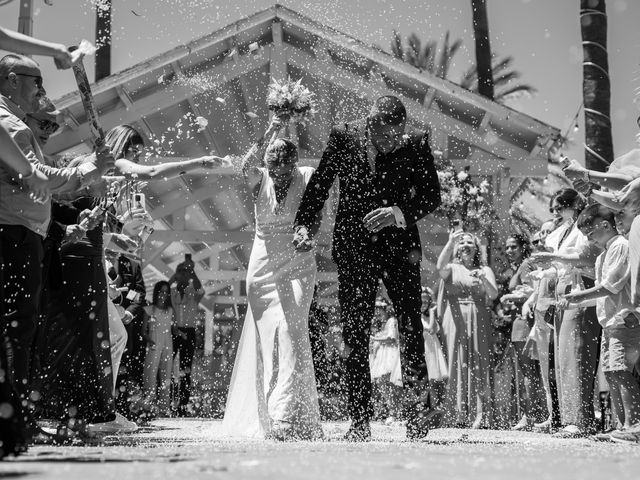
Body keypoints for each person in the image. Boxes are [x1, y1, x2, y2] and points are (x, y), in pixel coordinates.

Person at [294, 95, 441, 441]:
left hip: (401, 249)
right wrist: (303, 223)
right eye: (383, 137)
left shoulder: (417, 144)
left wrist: (397, 212)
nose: (390, 144)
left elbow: (432, 195)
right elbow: (320, 184)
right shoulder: (344, 137)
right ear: (369, 123)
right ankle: (359, 420)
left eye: (396, 137)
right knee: (355, 332)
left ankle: (418, 414)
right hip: (355, 248)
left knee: (409, 322)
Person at [0, 53, 113, 425]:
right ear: (12, 80)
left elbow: (41, 183)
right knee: (17, 327)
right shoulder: (12, 127)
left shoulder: (15, 125)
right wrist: (86, 168)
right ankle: (16, 421)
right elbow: (36, 177)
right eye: (37, 82)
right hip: (13, 234)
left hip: (19, 232)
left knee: (19, 328)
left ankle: (17, 416)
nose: (42, 91)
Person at [222, 116, 322, 440]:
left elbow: (316, 210)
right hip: (262, 267)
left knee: (291, 329)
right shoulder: (258, 177)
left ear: (294, 165)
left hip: (298, 262)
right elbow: (244, 164)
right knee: (269, 336)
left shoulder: (306, 176)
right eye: (275, 171)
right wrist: (271, 130)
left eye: (285, 171)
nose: (280, 178)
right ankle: (269, 411)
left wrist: (310, 235)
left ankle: (286, 414)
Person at [530, 188, 601, 437]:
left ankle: (581, 420)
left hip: (580, 291)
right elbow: (559, 264)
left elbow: (585, 257)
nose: (557, 213)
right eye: (554, 210)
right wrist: (544, 269)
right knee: (562, 359)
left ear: (575, 204)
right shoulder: (565, 229)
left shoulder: (585, 227)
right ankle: (568, 417)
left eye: (560, 208)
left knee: (577, 356)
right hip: (562, 292)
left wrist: (552, 257)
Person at [563, 205, 640, 435]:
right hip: (609, 324)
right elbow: (599, 297)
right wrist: (573, 301)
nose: (589, 240)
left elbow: (611, 287)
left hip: (624, 321)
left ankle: (633, 424)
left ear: (605, 225)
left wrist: (581, 295)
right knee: (610, 373)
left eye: (590, 234)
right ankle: (620, 424)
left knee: (622, 371)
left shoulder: (621, 247)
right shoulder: (601, 257)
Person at [437, 230, 498, 428]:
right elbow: (439, 267)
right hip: (454, 320)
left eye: (469, 242)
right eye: (461, 242)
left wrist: (483, 278)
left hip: (478, 318)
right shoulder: (452, 268)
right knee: (455, 361)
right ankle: (455, 413)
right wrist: (449, 243)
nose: (465, 245)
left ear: (476, 247)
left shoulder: (485, 269)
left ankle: (480, 414)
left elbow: (493, 294)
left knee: (478, 362)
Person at [497, 234, 546, 430]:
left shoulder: (525, 265)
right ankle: (535, 414)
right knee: (532, 372)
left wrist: (508, 296)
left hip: (524, 321)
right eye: (507, 247)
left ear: (522, 247)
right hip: (521, 319)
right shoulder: (521, 265)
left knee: (529, 372)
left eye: (513, 247)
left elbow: (531, 291)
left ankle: (530, 416)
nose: (509, 251)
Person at [170, 259, 205, 417]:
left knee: (186, 369)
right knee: (169, 367)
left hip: (189, 332)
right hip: (174, 332)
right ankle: (170, 401)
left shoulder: (193, 291)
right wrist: (175, 275)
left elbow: (201, 290)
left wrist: (192, 272)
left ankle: (183, 404)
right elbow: (166, 284)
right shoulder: (172, 291)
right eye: (181, 272)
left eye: (186, 272)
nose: (184, 274)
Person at [141, 281, 175, 416]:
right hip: (154, 342)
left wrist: (180, 333)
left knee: (166, 374)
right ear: (156, 293)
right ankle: (148, 407)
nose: (163, 295)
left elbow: (172, 328)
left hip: (168, 342)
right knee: (150, 373)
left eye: (166, 292)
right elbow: (143, 331)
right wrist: (150, 341)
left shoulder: (171, 310)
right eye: (161, 291)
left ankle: (164, 407)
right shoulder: (149, 309)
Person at [369, 297, 402, 424]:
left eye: (380, 310)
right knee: (382, 384)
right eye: (376, 310)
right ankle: (389, 411)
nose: (377, 313)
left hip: (390, 355)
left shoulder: (391, 321)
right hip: (382, 356)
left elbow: (392, 338)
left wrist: (375, 339)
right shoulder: (380, 324)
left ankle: (393, 412)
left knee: (389, 385)